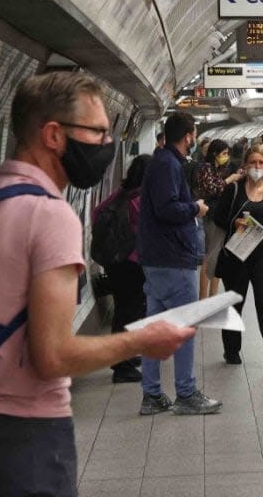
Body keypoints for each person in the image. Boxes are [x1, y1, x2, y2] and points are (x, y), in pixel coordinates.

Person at [0, 72, 194, 496]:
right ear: (53, 134)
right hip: (22, 444)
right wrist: (142, 341)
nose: (107, 144)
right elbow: (52, 355)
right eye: (98, 131)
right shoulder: (49, 215)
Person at [137, 111, 222, 416]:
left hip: (159, 258)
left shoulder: (165, 162)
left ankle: (153, 395)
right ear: (188, 135)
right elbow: (167, 208)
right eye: (194, 133)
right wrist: (195, 209)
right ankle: (186, 394)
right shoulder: (167, 164)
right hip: (172, 259)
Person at [213, 145, 263, 370]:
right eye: (253, 163)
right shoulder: (234, 189)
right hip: (237, 255)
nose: (257, 167)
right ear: (245, 165)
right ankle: (232, 348)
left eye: (261, 163)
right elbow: (217, 217)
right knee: (235, 303)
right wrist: (233, 223)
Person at [92, 154, 152, 383]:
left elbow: (97, 212)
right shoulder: (142, 198)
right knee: (130, 310)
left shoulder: (121, 194)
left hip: (116, 262)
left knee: (124, 309)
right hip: (132, 263)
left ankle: (125, 356)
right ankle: (121, 365)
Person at [198, 139, 243, 299]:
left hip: (220, 215)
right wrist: (229, 180)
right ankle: (203, 298)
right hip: (211, 216)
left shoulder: (219, 169)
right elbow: (213, 189)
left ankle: (212, 296)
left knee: (217, 257)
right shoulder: (206, 168)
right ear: (215, 153)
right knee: (210, 257)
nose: (226, 157)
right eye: (223, 153)